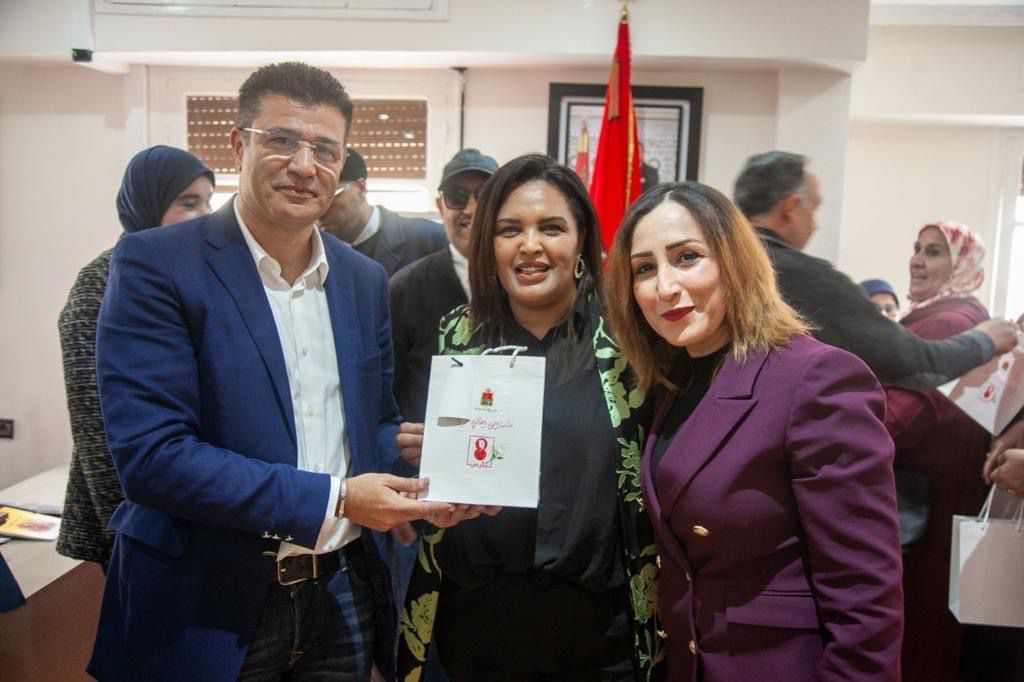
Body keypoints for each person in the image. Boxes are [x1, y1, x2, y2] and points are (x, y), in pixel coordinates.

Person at [88, 62, 472, 682]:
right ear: (238, 145)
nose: (303, 165)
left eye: (325, 150)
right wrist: (338, 498)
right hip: (207, 602)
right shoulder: (156, 263)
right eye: (281, 140)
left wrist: (423, 482)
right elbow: (153, 458)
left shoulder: (362, 280)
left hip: (340, 591)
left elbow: (368, 426)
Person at [606, 181, 903, 681]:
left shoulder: (816, 378)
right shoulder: (672, 383)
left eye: (686, 257)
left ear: (734, 259)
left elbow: (866, 601)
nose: (665, 287)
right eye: (644, 269)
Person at [396, 154, 664, 681]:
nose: (530, 245)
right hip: (476, 626)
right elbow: (431, 465)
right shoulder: (456, 335)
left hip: (600, 632)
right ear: (489, 246)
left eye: (551, 228)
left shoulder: (629, 339)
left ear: (581, 240)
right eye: (510, 230)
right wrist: (423, 454)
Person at [733, 151, 1018, 390]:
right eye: (814, 208)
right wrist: (984, 340)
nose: (917, 261)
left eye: (933, 252)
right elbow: (917, 365)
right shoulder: (806, 277)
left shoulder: (718, 262)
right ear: (791, 207)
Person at [56, 145, 215, 570]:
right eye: (188, 203)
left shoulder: (195, 276)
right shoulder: (100, 282)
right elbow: (97, 428)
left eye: (208, 202)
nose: (204, 216)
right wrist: (129, 537)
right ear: (146, 204)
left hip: (196, 507)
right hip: (137, 523)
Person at [882, 221, 994, 680]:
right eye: (917, 248)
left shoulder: (946, 322)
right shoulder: (956, 318)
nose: (917, 260)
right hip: (935, 503)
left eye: (934, 252)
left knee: (912, 636)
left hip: (921, 508)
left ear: (962, 265)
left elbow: (899, 419)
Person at [389, 147, 499, 423]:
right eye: (456, 197)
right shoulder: (405, 289)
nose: (471, 209)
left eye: (485, 196)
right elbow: (387, 390)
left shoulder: (526, 284)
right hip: (427, 445)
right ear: (440, 207)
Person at [318, 148, 447, 276]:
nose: (320, 210)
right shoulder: (318, 251)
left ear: (361, 188)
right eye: (314, 198)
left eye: (332, 197)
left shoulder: (430, 240)